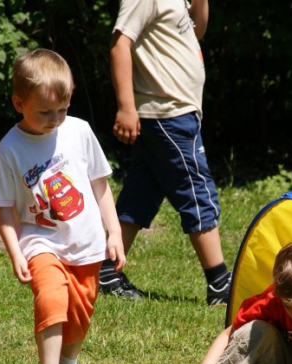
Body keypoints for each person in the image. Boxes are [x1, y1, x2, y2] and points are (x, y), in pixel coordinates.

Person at [0, 49, 125, 364]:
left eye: (62, 110)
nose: (55, 119)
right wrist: (16, 250)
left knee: (79, 315)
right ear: (19, 102)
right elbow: (2, 207)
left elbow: (99, 185)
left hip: (86, 241)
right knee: (51, 299)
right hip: (39, 240)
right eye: (45, 112)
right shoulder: (9, 149)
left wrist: (114, 232)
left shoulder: (78, 131)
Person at [101, 0, 231, 306]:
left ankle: (106, 271)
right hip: (165, 115)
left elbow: (196, 31)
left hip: (178, 114)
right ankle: (220, 284)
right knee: (197, 193)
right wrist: (126, 107)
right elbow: (120, 44)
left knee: (140, 195)